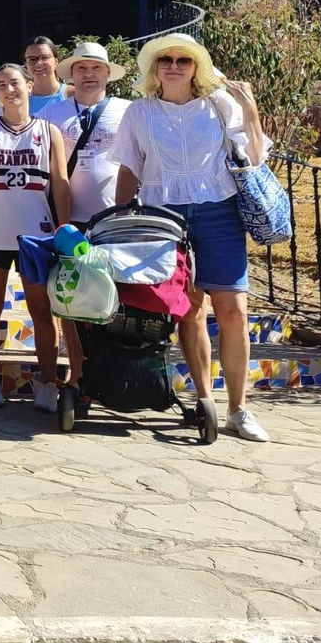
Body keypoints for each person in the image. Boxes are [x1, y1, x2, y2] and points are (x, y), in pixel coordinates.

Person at [113, 33, 271, 442]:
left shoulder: (220, 105)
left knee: (233, 307)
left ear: (197, 67)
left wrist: (251, 115)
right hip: (164, 215)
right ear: (154, 68)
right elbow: (129, 169)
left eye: (184, 60)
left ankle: (239, 408)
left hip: (220, 209)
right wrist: (120, 219)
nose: (174, 66)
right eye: (166, 59)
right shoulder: (138, 113)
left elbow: (253, 158)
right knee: (190, 308)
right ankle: (206, 403)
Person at [0, 63, 69, 411]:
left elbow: (60, 184)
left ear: (29, 84)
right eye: (1, 85)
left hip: (36, 236)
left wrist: (64, 229)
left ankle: (49, 384)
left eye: (14, 83)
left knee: (42, 311)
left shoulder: (49, 131)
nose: (9, 90)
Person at [42, 42, 131, 223]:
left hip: (114, 216)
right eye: (81, 68)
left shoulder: (128, 110)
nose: (89, 73)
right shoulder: (49, 114)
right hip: (65, 220)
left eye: (96, 67)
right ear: (72, 74)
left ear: (107, 72)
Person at [23, 36, 66, 116]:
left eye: (44, 58)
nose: (38, 63)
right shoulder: (21, 99)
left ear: (56, 61)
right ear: (26, 64)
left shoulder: (71, 95)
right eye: (32, 59)